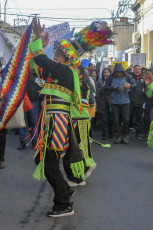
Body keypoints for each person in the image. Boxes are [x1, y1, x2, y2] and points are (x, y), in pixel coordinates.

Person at [30, 18, 113, 217]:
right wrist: (42, 42)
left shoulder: (64, 70)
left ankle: (64, 204)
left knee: (49, 165)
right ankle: (65, 190)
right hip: (54, 121)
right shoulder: (61, 72)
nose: (55, 56)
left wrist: (39, 38)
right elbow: (38, 64)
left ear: (65, 57)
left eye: (57, 53)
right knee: (42, 159)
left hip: (56, 121)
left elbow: (41, 59)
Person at [67, 65, 97, 185]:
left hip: (78, 118)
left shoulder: (79, 84)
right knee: (80, 147)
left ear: (80, 75)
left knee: (76, 148)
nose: (71, 72)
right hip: (80, 118)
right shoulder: (83, 84)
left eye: (74, 71)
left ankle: (82, 172)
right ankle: (81, 174)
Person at [105, 63, 135, 144]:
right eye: (117, 72)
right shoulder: (110, 77)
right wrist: (113, 88)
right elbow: (106, 87)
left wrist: (129, 86)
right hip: (114, 101)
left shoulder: (127, 76)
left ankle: (125, 135)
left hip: (125, 101)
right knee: (116, 120)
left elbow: (134, 85)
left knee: (126, 119)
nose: (118, 74)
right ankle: (118, 135)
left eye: (120, 72)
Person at [129, 65, 145, 141]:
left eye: (139, 69)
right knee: (129, 119)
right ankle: (126, 135)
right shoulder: (129, 78)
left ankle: (139, 134)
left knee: (139, 119)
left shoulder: (144, 79)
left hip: (140, 102)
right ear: (133, 70)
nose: (137, 70)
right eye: (136, 69)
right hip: (130, 102)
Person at [97, 68, 113, 140]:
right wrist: (102, 88)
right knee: (104, 119)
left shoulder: (112, 81)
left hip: (112, 101)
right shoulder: (100, 81)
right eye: (105, 72)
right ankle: (104, 134)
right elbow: (97, 92)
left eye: (107, 72)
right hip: (103, 102)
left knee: (111, 118)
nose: (106, 74)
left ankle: (111, 133)